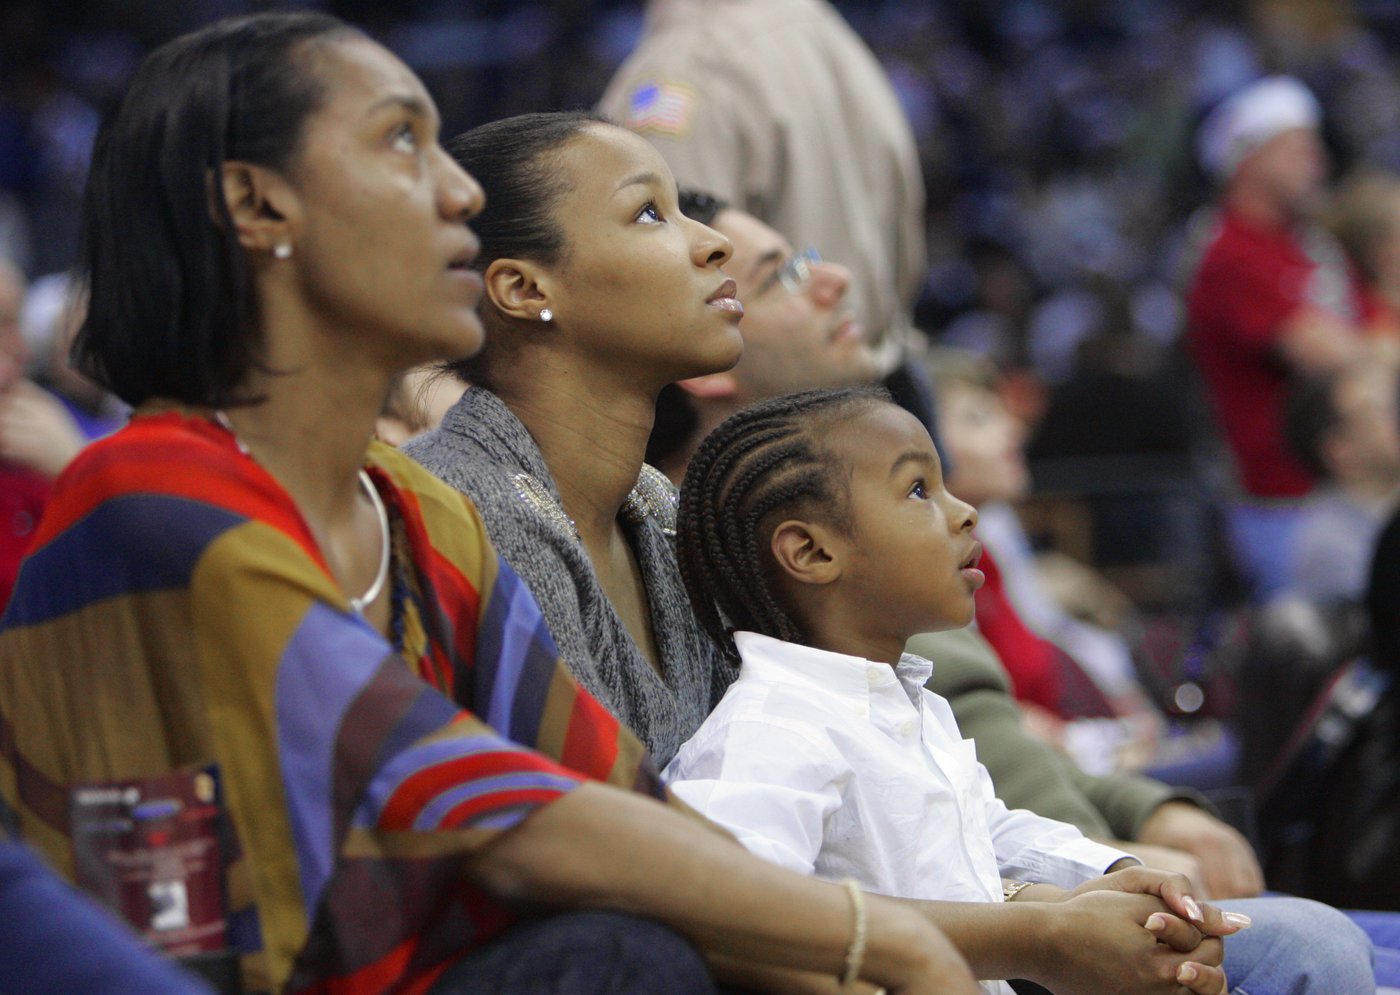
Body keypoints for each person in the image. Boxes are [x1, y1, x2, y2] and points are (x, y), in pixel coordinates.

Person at [0, 15, 975, 995]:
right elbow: (497, 809)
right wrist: (887, 946)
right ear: (258, 205)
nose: (462, 193)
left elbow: (632, 806)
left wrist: (915, 952)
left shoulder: (423, 511)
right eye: (400, 140)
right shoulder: (149, 496)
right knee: (621, 956)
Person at [670, 384, 1379, 994]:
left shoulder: (907, 702)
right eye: (918, 490)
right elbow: (739, 910)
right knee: (1319, 953)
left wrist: (1117, 875)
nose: (964, 512)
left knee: (1316, 945)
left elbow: (990, 829)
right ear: (812, 551)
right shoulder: (771, 727)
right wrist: (1042, 933)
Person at [403, 111, 745, 767]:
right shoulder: (467, 512)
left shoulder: (655, 504)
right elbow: (576, 807)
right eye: (650, 213)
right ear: (523, 288)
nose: (713, 244)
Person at [597, 0, 944, 436]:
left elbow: (666, 307)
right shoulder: (829, 34)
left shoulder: (689, 65)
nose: (837, 279)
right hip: (881, 395)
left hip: (778, 428)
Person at [1184, 74, 1367, 599]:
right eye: (1298, 149)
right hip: (1280, 500)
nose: (1318, 163)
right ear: (1250, 160)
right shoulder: (1231, 253)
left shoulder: (1302, 245)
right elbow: (1333, 354)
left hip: (1330, 490)